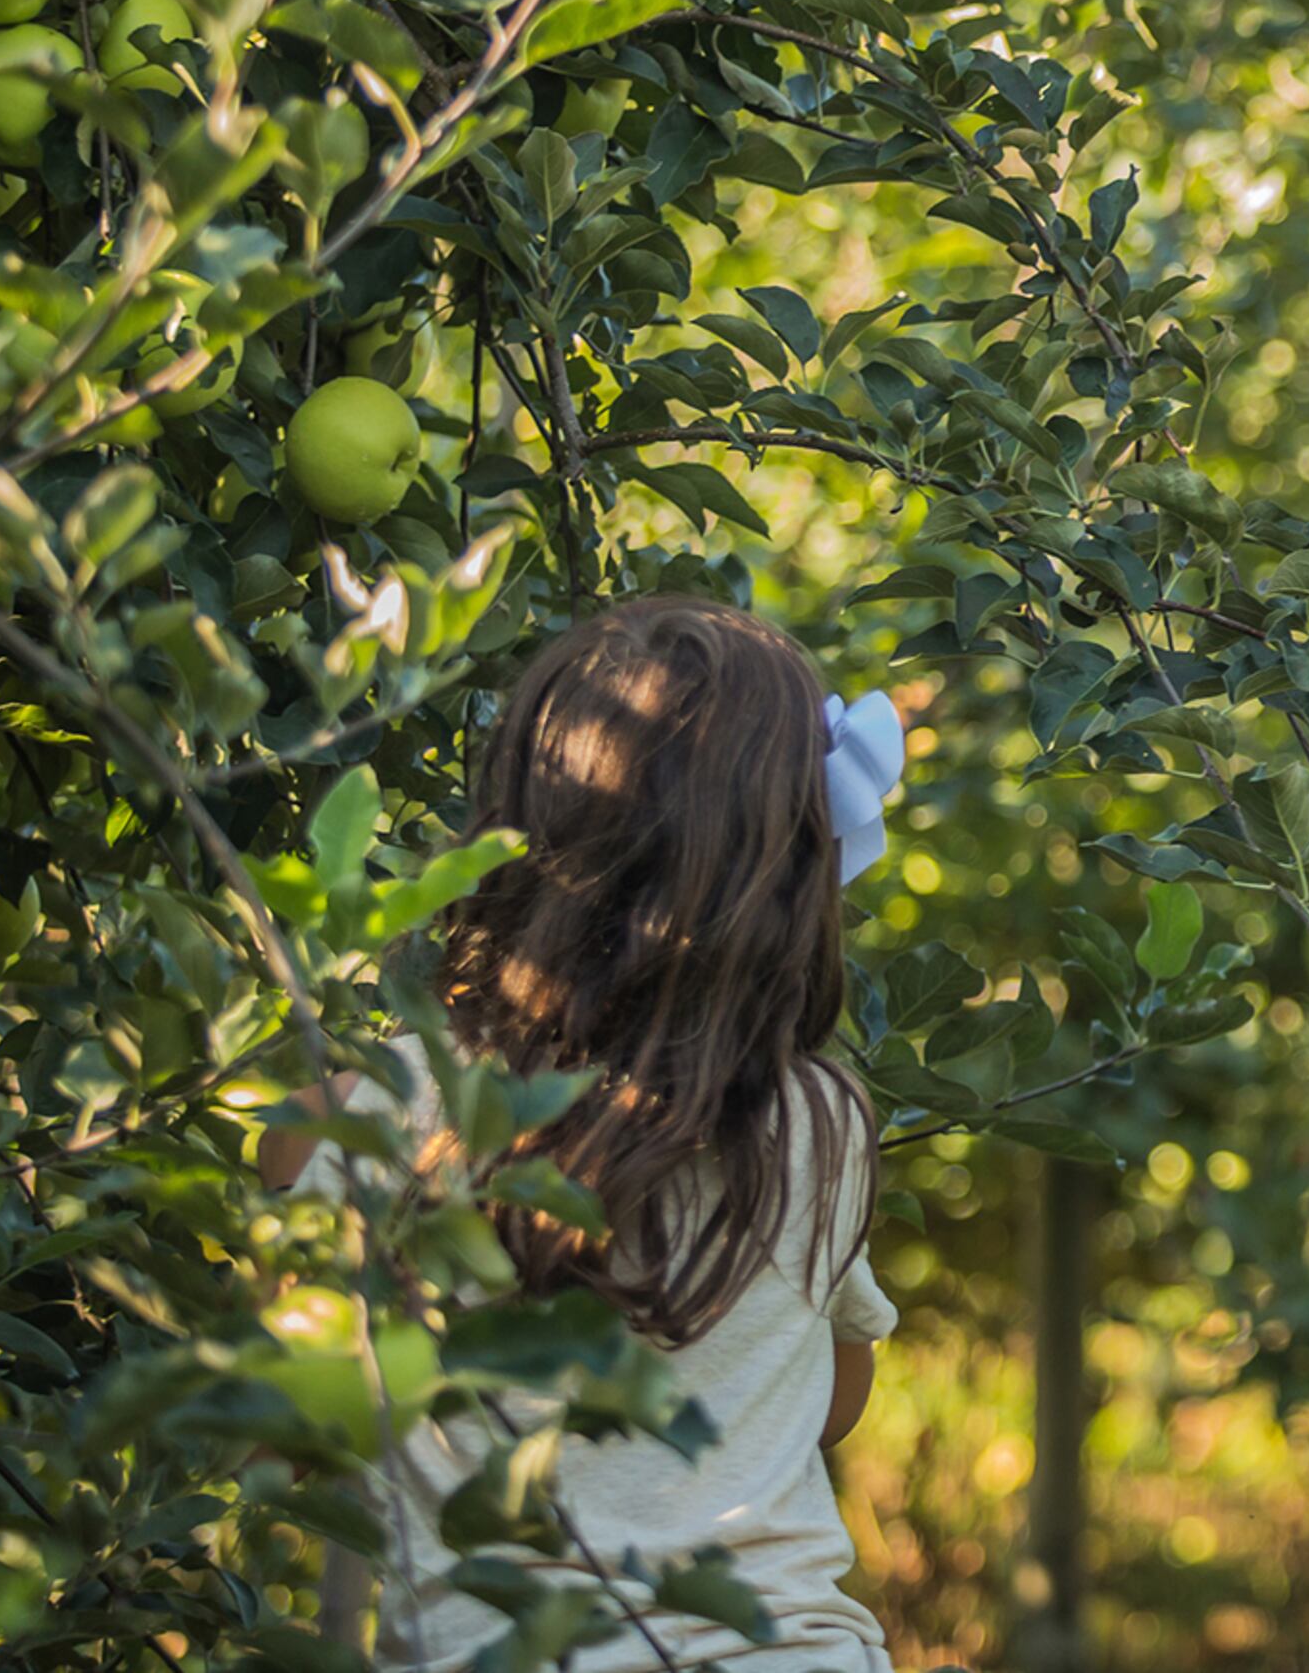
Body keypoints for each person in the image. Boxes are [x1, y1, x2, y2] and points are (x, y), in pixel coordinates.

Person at [266, 596, 912, 1672]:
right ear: (793, 875)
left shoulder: (392, 1104)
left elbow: (292, 1425)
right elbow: (831, 1407)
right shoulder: (816, 1121)